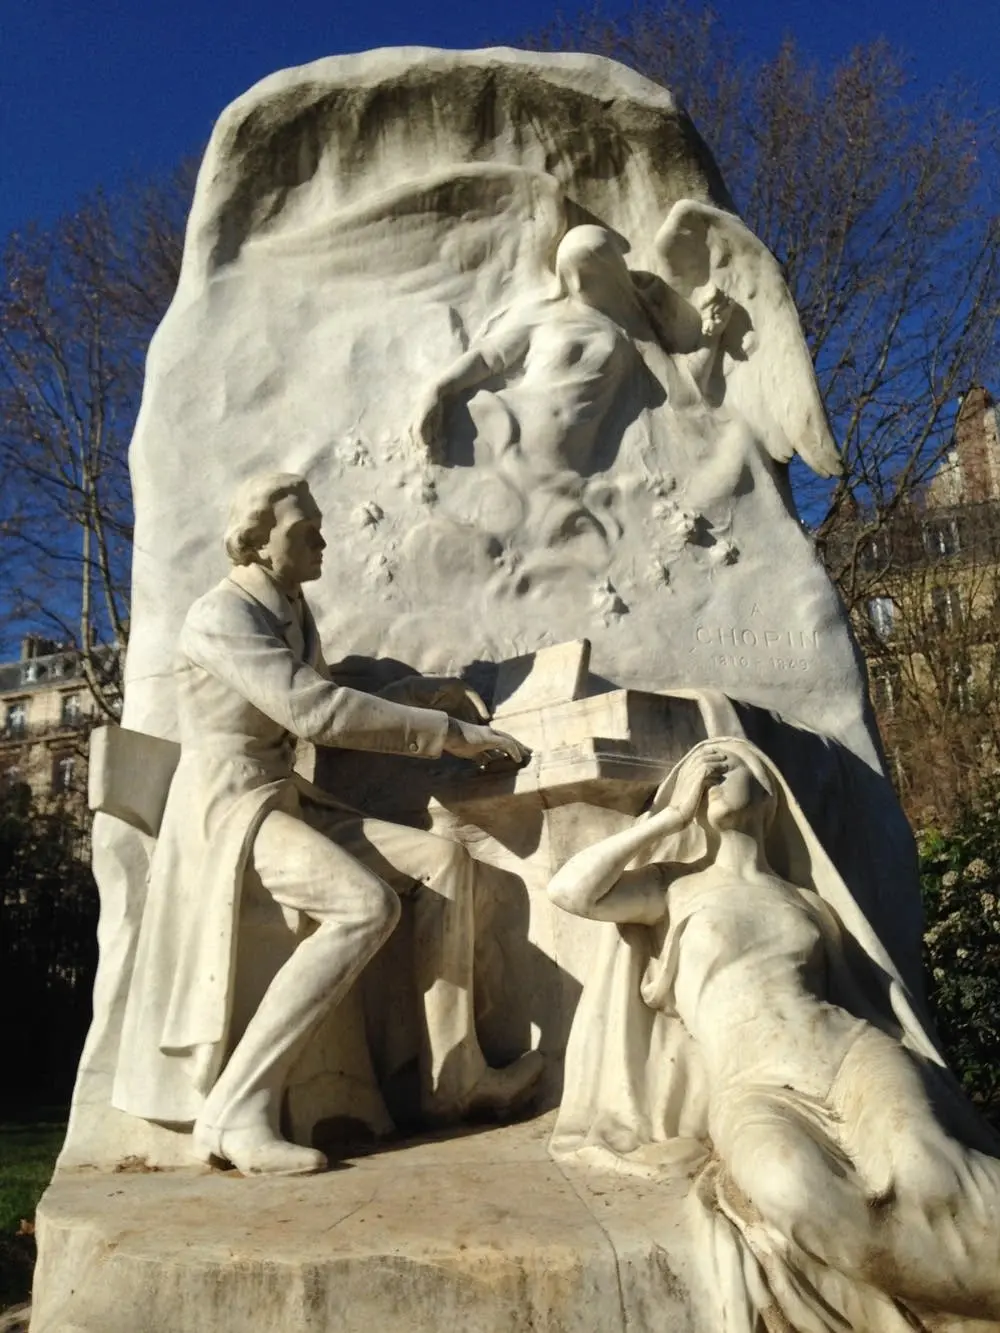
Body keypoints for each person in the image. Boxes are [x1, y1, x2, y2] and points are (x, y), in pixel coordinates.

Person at [113, 472, 543, 1175]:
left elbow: (321, 688)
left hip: (284, 800)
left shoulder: (290, 608)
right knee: (364, 905)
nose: (321, 541)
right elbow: (312, 710)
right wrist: (448, 733)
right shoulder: (220, 614)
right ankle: (235, 1108)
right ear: (258, 541)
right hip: (231, 810)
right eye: (304, 530)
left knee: (444, 862)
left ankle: (455, 1078)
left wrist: (416, 691)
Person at [548, 738, 1000, 1328]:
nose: (708, 775)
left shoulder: (807, 901)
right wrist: (668, 817)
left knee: (930, 1166)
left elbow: (859, 995)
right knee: (793, 1192)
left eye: (726, 764)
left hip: (851, 1056)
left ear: (768, 796)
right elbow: (571, 892)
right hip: (756, 1089)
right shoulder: (671, 888)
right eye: (698, 769)